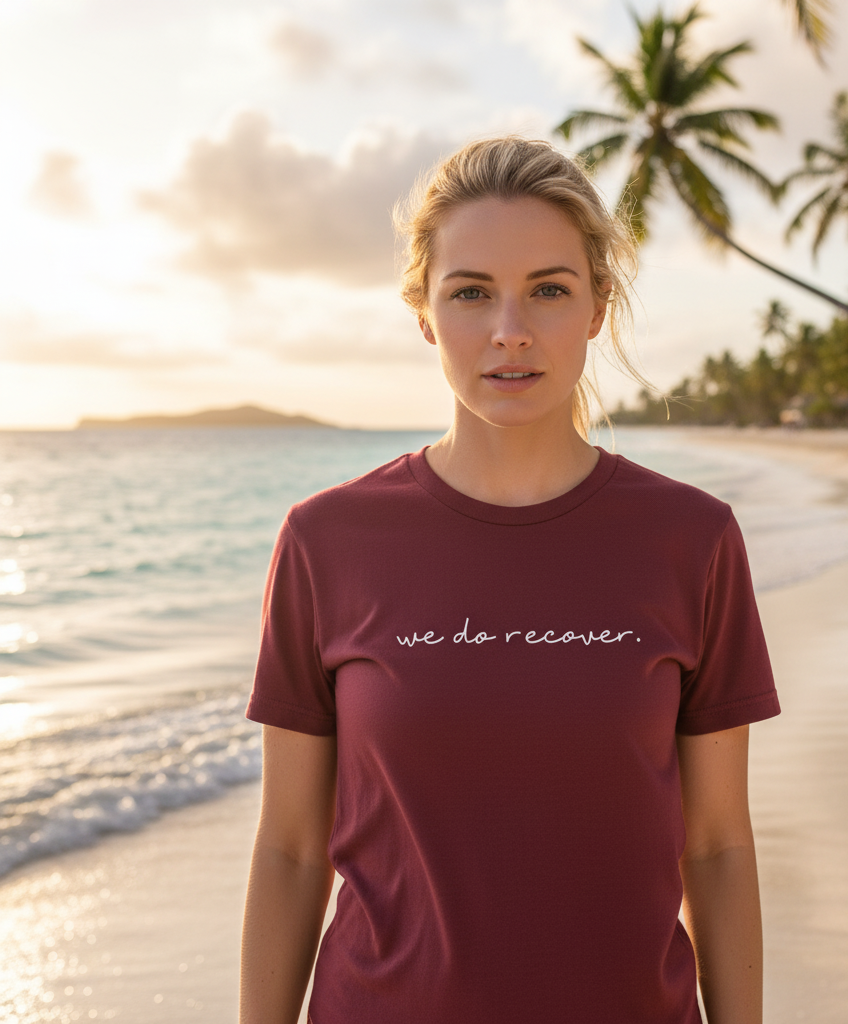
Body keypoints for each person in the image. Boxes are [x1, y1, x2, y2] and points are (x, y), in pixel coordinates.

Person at [239, 136, 780, 1024]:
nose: (510, 330)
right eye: (471, 292)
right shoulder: (326, 541)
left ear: (598, 305)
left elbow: (717, 845)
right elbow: (293, 848)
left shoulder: (693, 540)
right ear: (423, 312)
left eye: (550, 290)